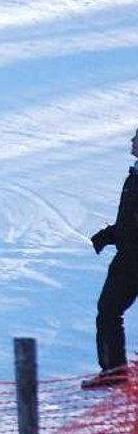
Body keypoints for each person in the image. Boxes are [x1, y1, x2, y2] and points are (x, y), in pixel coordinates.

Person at [82, 127, 138, 390]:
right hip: (127, 259)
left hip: (131, 261)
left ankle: (114, 373)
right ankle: (113, 372)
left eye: (137, 138)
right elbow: (130, 221)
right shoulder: (134, 175)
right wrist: (110, 234)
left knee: (108, 311)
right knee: (108, 311)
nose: (132, 142)